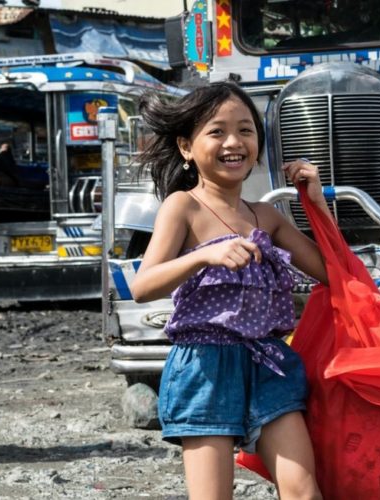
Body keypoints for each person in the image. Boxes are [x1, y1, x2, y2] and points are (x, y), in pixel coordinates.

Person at [130, 81, 330, 500]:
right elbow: (142, 286)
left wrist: (316, 202)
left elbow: (334, 272)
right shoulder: (182, 206)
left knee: (304, 493)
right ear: (187, 147)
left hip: (268, 363)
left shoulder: (267, 217)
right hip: (204, 367)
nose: (234, 142)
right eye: (217, 131)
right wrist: (203, 257)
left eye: (245, 130)